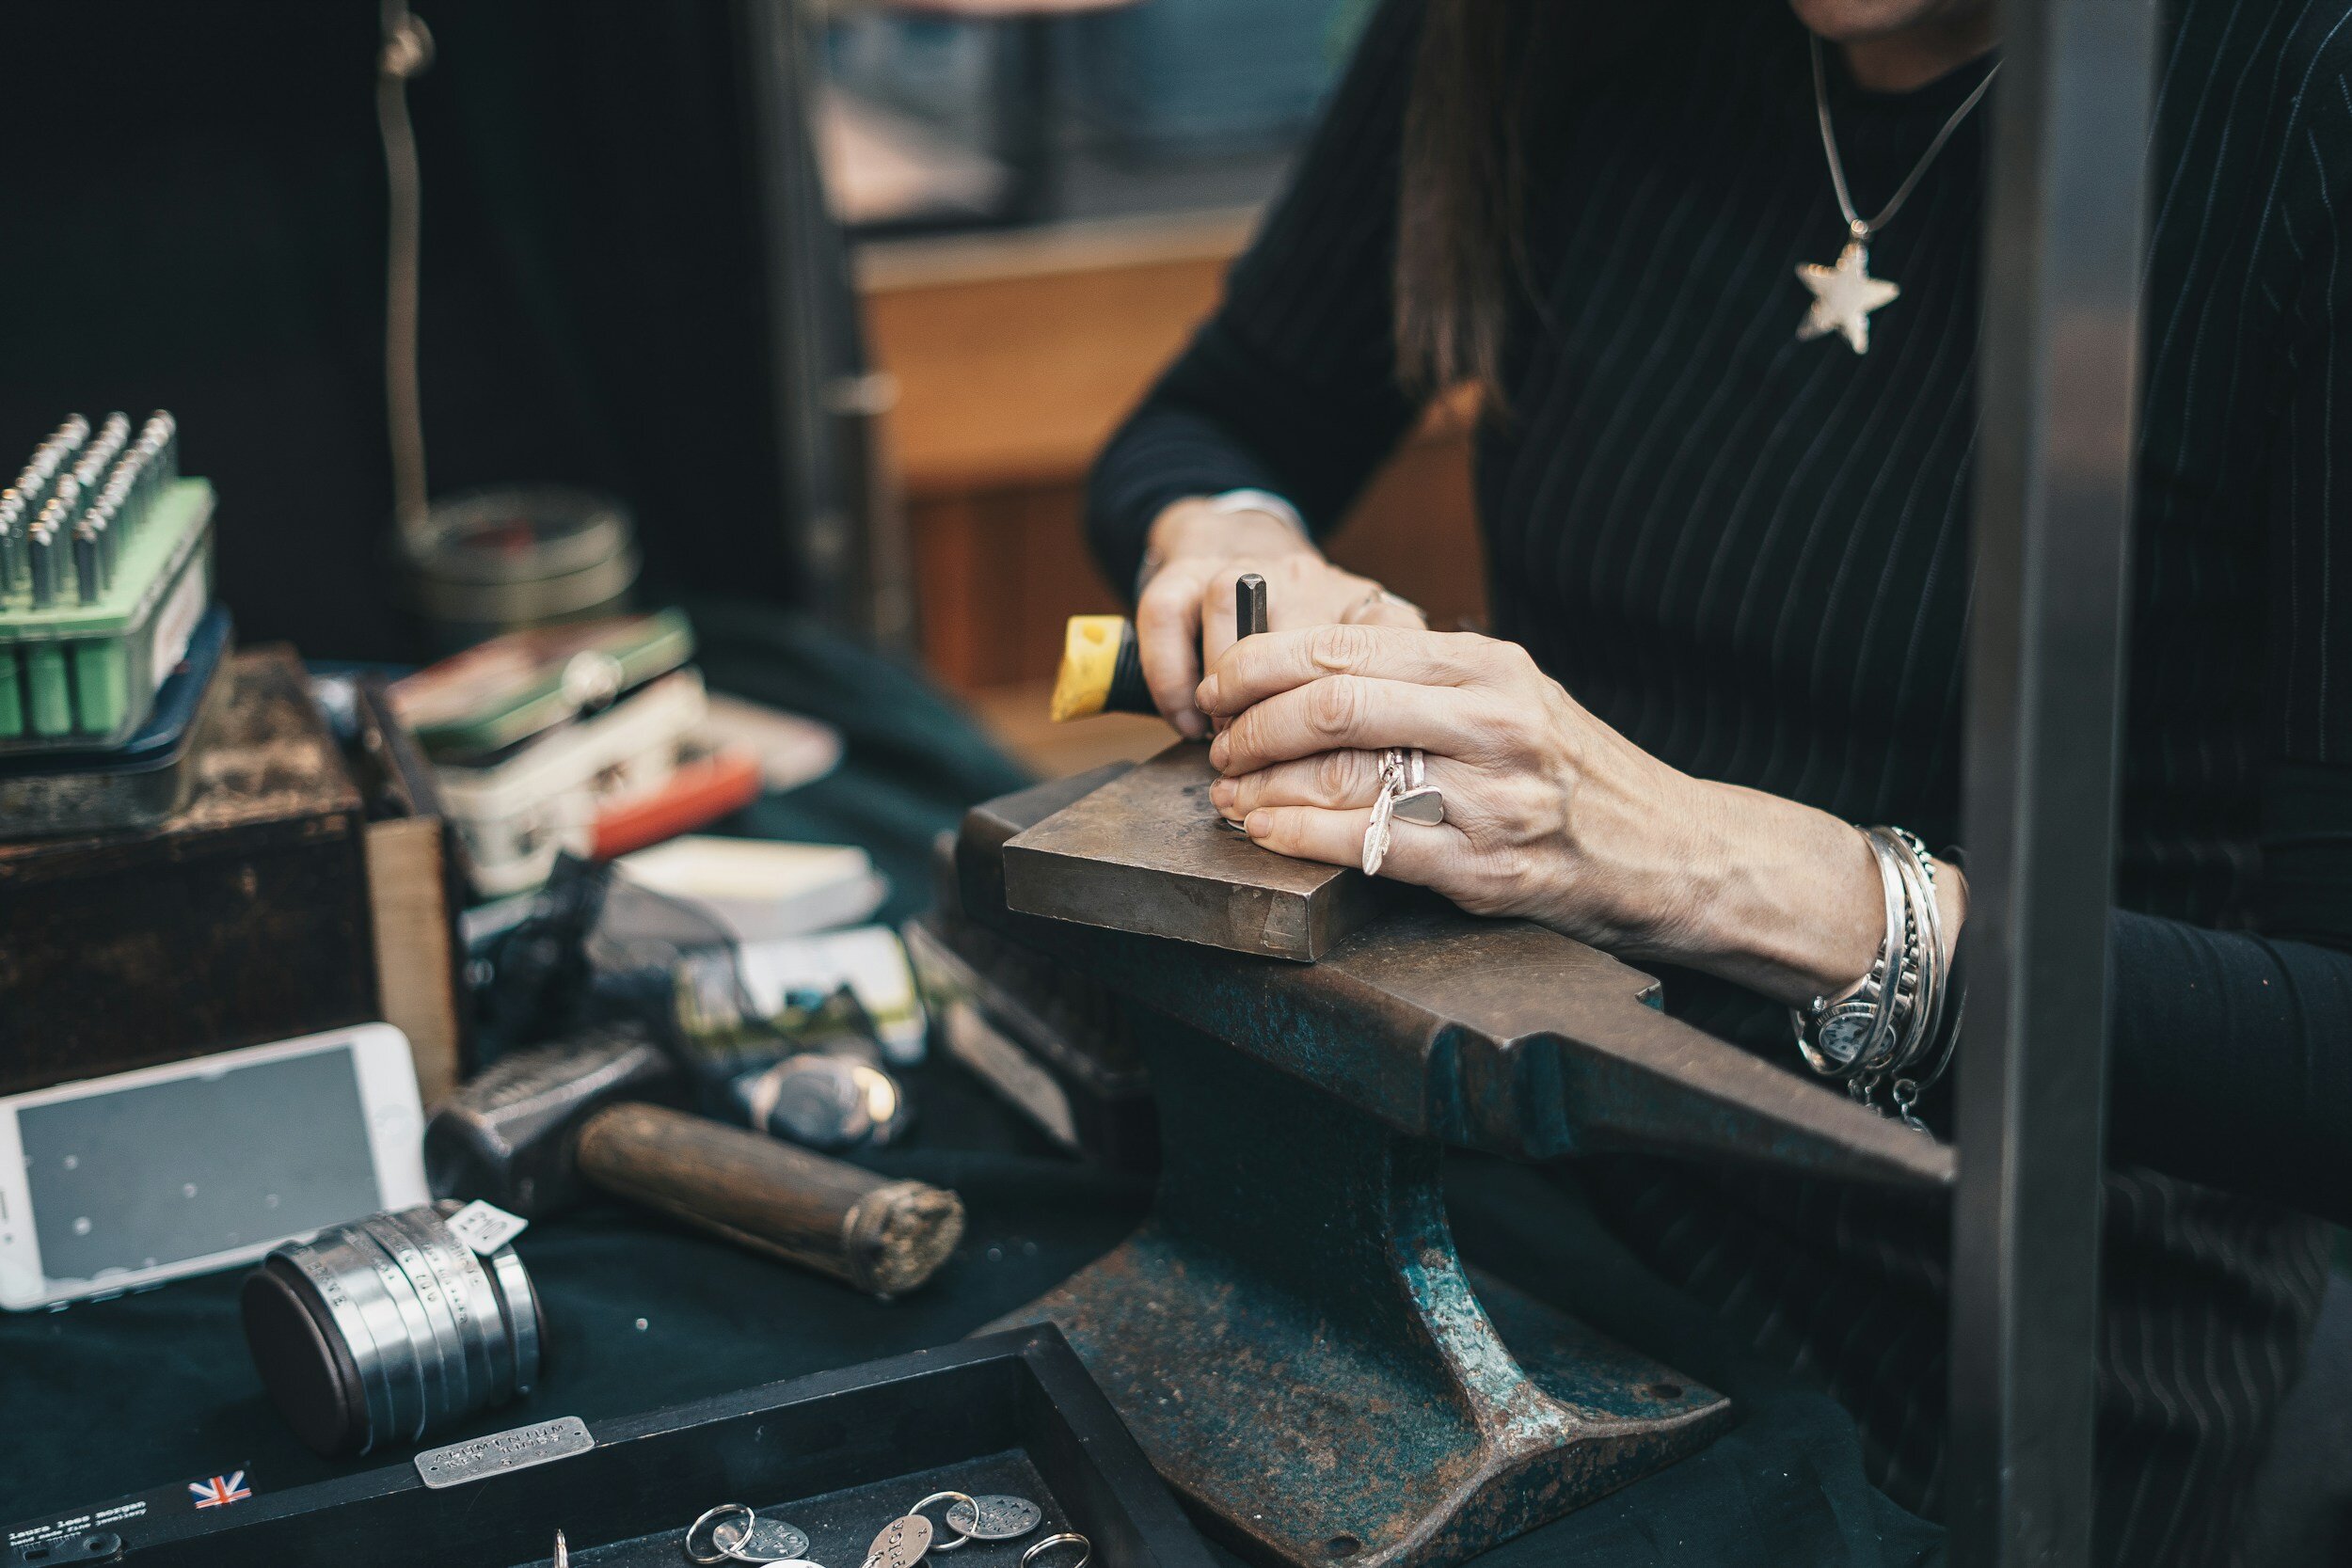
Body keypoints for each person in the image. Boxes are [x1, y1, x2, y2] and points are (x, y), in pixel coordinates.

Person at [1086, 0, 2352, 1562]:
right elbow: (1222, 416)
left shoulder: (2307, 92)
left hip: (1996, 1323)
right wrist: (1229, 539)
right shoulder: (1543, 32)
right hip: (1515, 1160)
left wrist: (1706, 865)